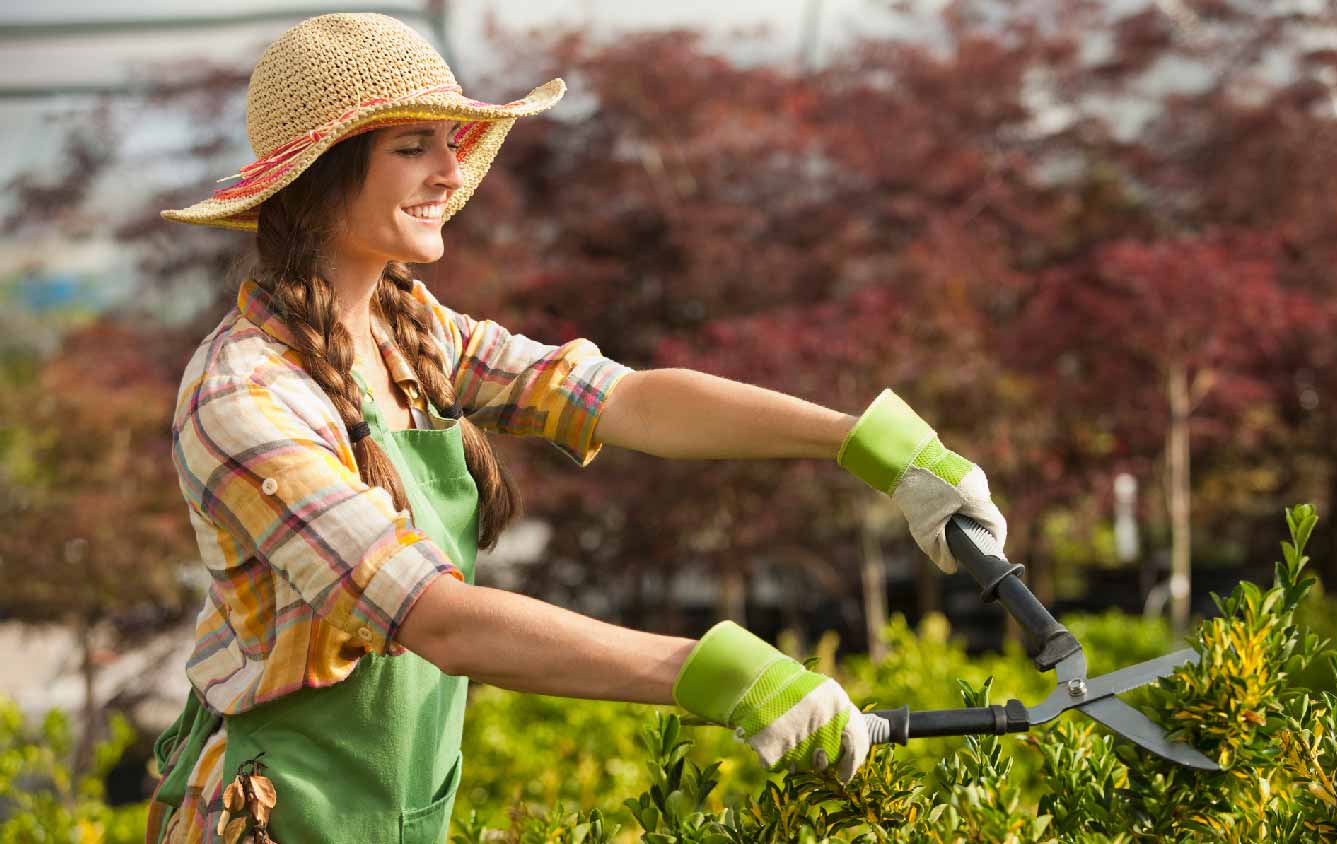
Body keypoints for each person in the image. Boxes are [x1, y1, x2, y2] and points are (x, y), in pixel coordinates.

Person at [144, 13, 1007, 844]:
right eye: (414, 147)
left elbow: (620, 399)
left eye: (451, 144)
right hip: (278, 815)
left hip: (401, 807)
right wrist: (721, 675)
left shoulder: (412, 332)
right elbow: (435, 618)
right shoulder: (246, 396)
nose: (450, 171)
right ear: (320, 177)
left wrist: (873, 447)